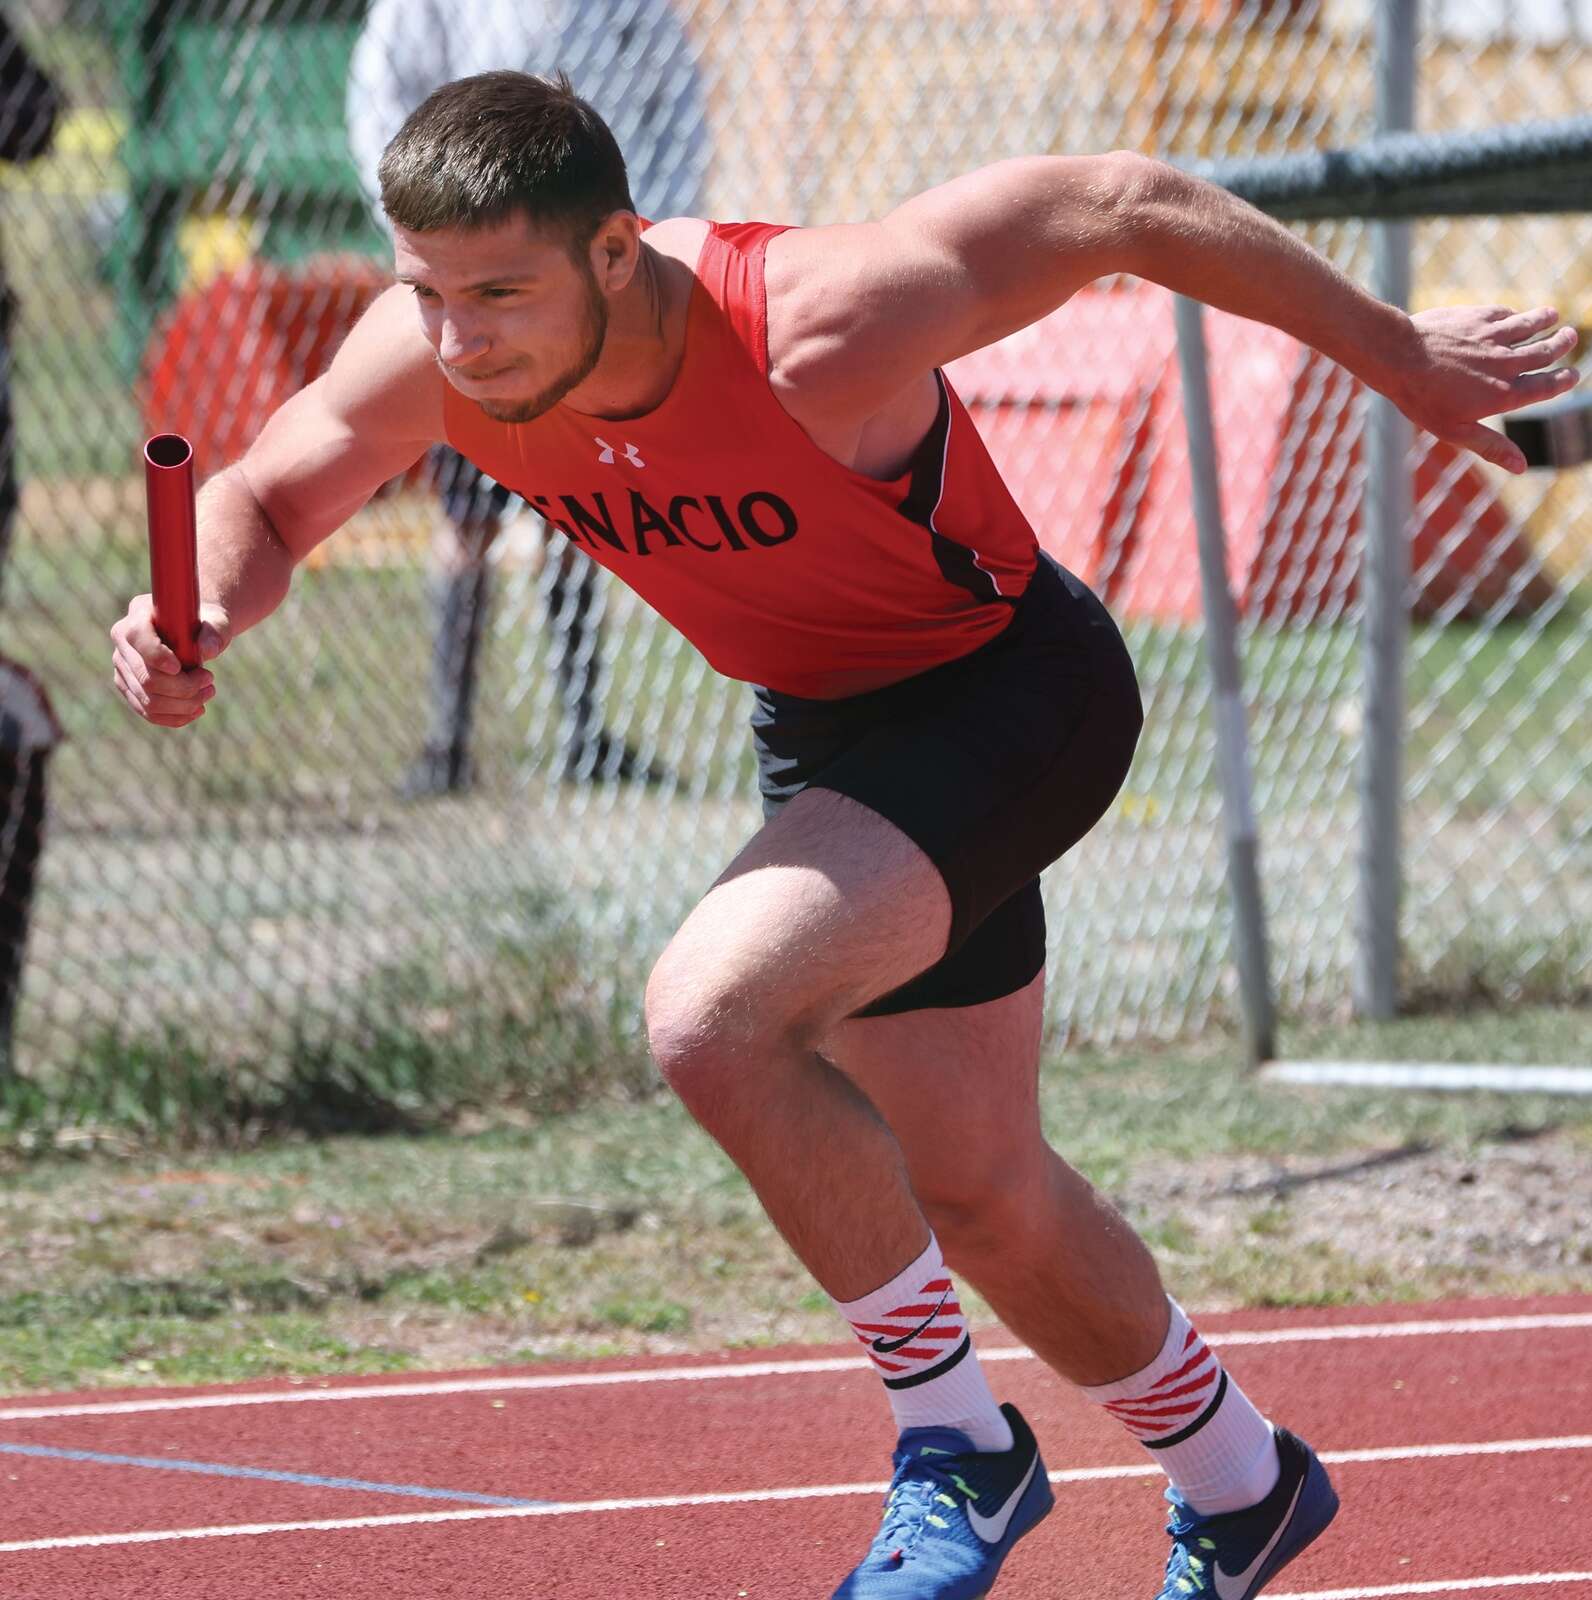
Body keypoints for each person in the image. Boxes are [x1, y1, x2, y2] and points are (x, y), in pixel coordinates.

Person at [108, 73, 1579, 1600]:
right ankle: (1240, 1480)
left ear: (618, 252)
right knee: (983, 1195)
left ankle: (959, 1443)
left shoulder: (814, 323)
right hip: (831, 733)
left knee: (711, 1018)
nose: (461, 338)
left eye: (497, 292)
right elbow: (266, 501)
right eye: (428, 292)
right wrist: (196, 606)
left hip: (1019, 691)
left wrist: (1399, 354)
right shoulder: (438, 359)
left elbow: (1123, 201)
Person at [346, 1, 707, 793]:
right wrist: (426, 223)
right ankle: (448, 744)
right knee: (465, 523)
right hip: (479, 282)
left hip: (584, 296)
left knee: (579, 523)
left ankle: (584, 732)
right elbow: (379, 85)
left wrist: (656, 231)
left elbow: (677, 100)